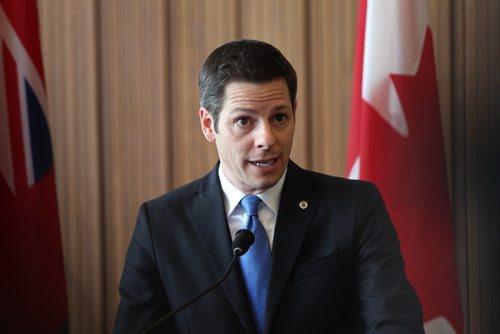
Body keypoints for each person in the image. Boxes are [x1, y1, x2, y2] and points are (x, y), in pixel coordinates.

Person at [114, 39, 424, 333]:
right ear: (209, 125)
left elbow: (395, 324)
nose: (267, 139)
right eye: (244, 121)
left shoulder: (354, 207)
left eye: (279, 117)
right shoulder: (161, 225)